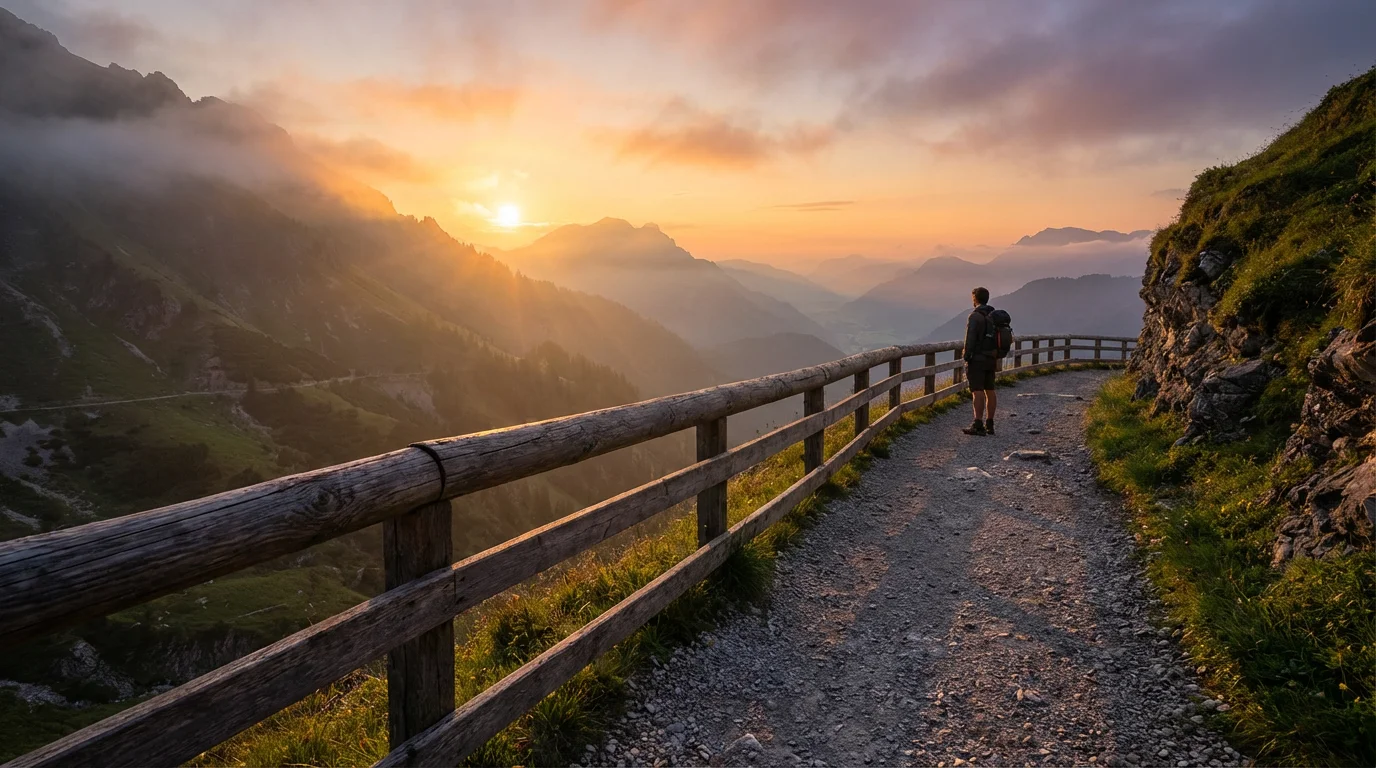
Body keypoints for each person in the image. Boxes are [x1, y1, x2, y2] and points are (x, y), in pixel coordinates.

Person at [962, 287, 997, 436]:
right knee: (990, 390)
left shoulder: (974, 316)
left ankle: (978, 424)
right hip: (991, 358)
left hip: (977, 359)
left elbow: (970, 340)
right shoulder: (993, 315)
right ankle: (990, 424)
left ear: (975, 299)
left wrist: (967, 356)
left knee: (977, 391)